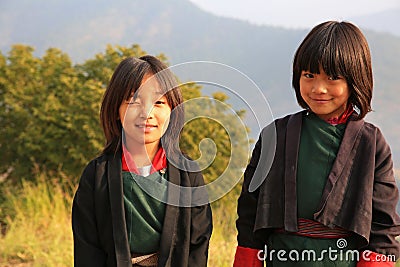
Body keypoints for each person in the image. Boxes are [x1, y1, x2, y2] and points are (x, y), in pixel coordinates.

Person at [234, 21, 400, 266]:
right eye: (309, 75)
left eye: (333, 77)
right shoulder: (275, 136)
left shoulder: (371, 144)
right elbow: (250, 212)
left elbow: (383, 226)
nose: (318, 88)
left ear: (355, 80)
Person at [72, 55, 213, 267]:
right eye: (133, 100)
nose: (146, 113)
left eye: (158, 102)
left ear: (172, 111)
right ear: (116, 110)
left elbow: (197, 246)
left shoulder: (187, 174)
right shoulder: (96, 175)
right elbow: (87, 250)